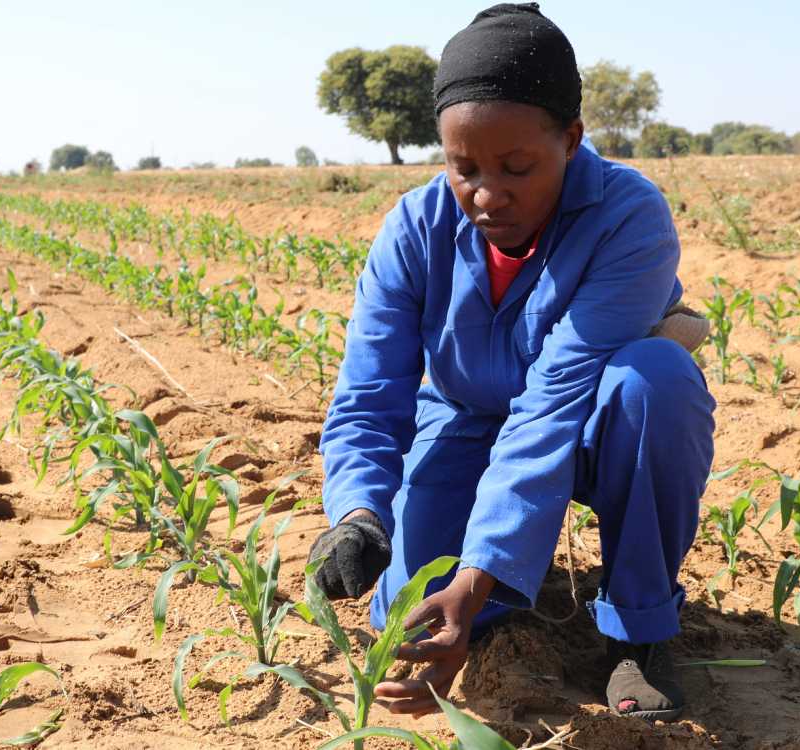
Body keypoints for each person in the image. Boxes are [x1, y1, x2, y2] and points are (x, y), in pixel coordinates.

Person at [306, 2, 716, 722]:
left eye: (517, 167)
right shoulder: (414, 228)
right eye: (463, 168)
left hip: (590, 420)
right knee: (403, 610)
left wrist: (474, 577)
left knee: (656, 381)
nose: (487, 195)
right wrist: (359, 513)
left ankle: (638, 631)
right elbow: (370, 391)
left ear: (571, 138)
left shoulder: (627, 216)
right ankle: (502, 602)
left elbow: (553, 404)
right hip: (465, 422)